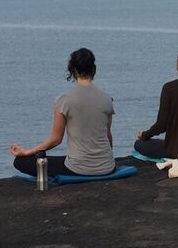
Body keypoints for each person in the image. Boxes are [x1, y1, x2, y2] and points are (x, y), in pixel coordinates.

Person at [10, 48, 115, 177]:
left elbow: (56, 140)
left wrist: (27, 152)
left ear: (73, 70)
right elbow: (108, 135)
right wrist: (105, 160)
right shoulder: (107, 99)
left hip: (79, 169)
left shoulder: (64, 100)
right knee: (66, 158)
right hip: (107, 166)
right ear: (94, 69)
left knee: (20, 161)